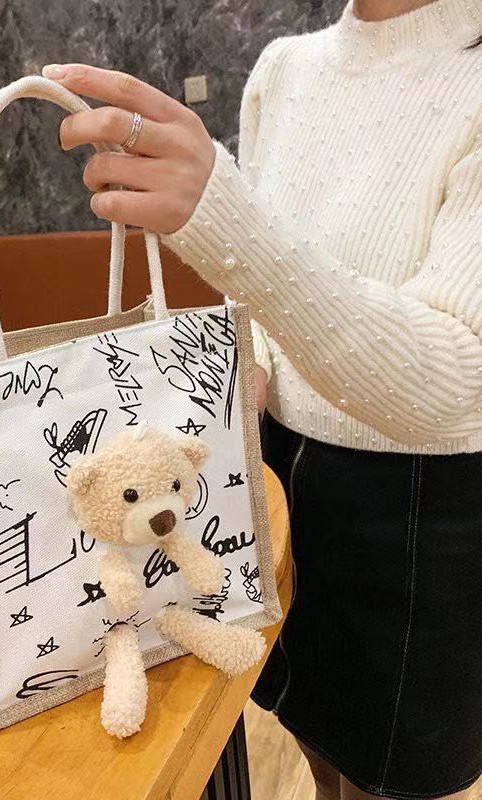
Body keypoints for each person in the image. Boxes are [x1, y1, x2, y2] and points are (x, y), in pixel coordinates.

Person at [41, 1, 482, 798]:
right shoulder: (284, 69)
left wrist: (220, 211)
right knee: (310, 731)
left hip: (421, 510)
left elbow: (460, 377)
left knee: (392, 776)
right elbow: (277, 288)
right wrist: (250, 375)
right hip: (275, 473)